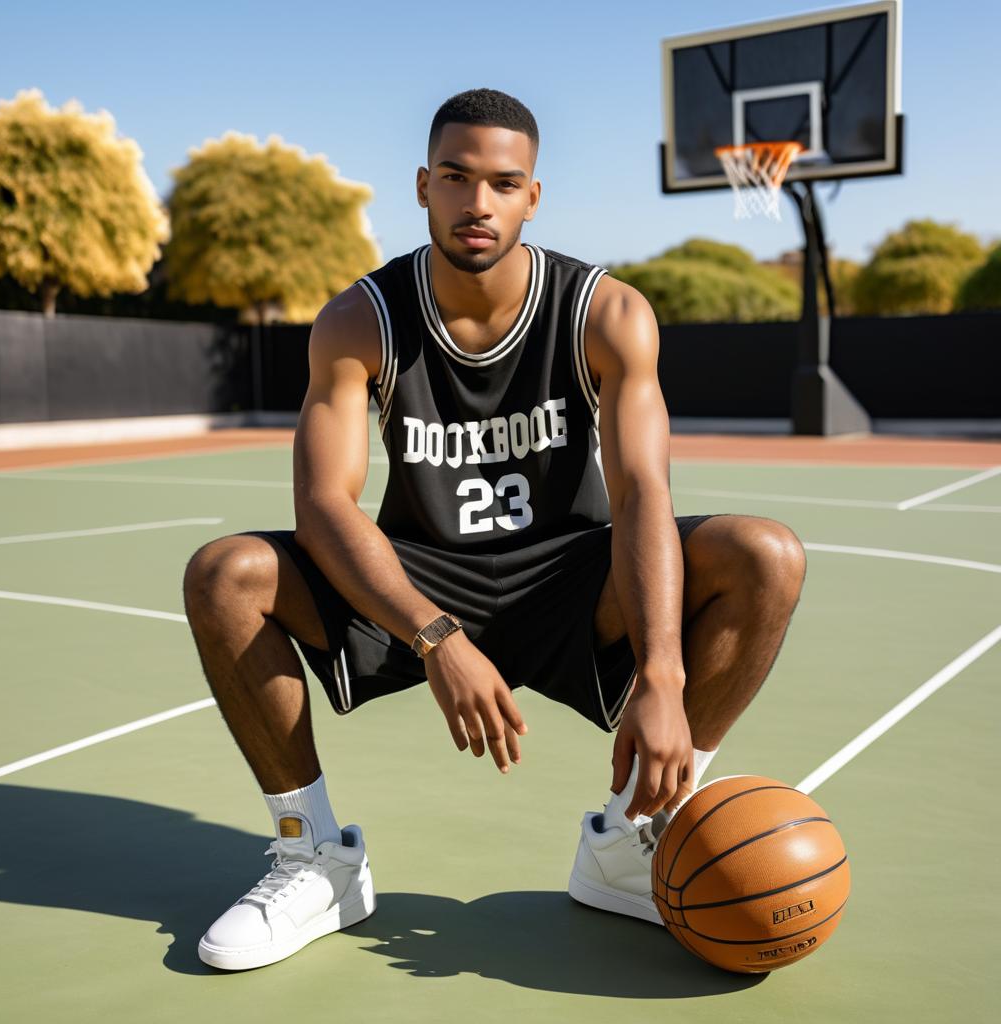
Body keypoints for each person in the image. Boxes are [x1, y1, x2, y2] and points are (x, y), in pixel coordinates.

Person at [183, 88, 807, 971]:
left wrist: (662, 676)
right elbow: (324, 506)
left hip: (569, 583)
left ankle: (632, 841)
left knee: (763, 556)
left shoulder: (606, 312)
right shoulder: (363, 318)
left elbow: (640, 493)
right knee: (225, 573)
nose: (478, 202)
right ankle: (314, 854)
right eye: (456, 177)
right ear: (423, 186)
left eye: (503, 182)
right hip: (420, 581)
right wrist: (436, 638)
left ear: (532, 196)